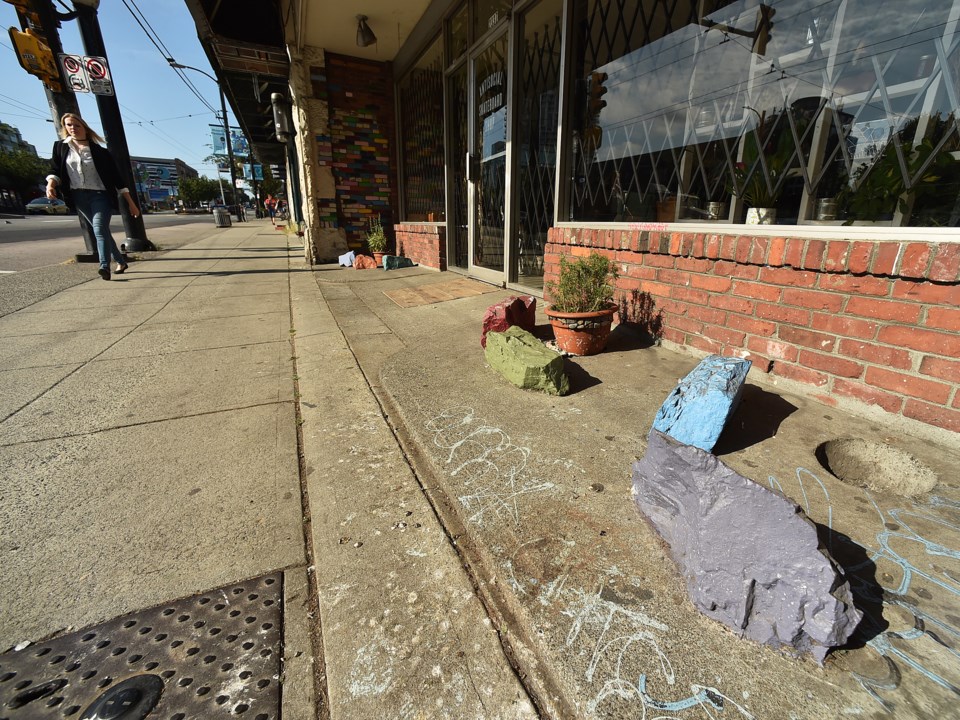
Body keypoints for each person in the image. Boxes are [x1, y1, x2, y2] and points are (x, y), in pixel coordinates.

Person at [46, 113, 140, 281]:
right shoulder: (60, 147)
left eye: (76, 125)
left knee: (98, 229)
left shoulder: (100, 152)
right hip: (78, 196)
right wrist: (50, 184)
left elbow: (117, 179)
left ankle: (104, 266)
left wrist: (131, 204)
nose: (72, 128)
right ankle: (120, 261)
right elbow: (55, 170)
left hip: (100, 195)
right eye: (68, 125)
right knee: (101, 231)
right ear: (65, 128)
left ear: (85, 128)